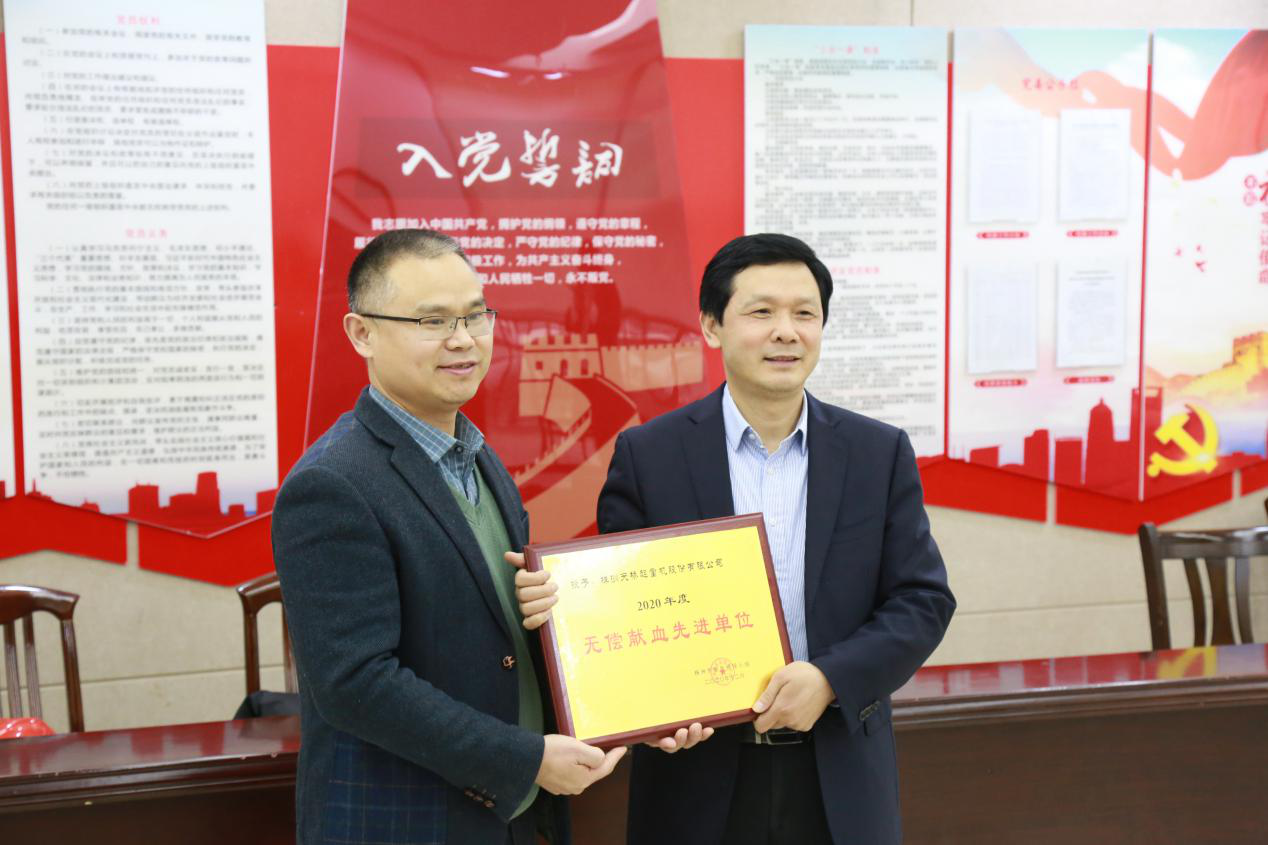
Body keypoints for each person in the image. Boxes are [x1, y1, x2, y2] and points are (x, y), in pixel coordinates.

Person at [514, 233, 955, 844]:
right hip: (696, 778)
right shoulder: (650, 455)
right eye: (761, 311)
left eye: (804, 314)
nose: (786, 332)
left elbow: (922, 600)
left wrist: (830, 679)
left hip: (839, 772)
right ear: (711, 326)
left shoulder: (877, 452)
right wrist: (642, 697)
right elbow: (621, 605)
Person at [272, 229, 624, 845]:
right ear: (361, 333)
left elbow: (492, 628)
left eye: (475, 316)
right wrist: (524, 760)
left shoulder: (477, 456)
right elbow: (355, 684)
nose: (463, 340)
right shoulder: (332, 484)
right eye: (432, 321)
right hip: (404, 821)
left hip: (508, 816)